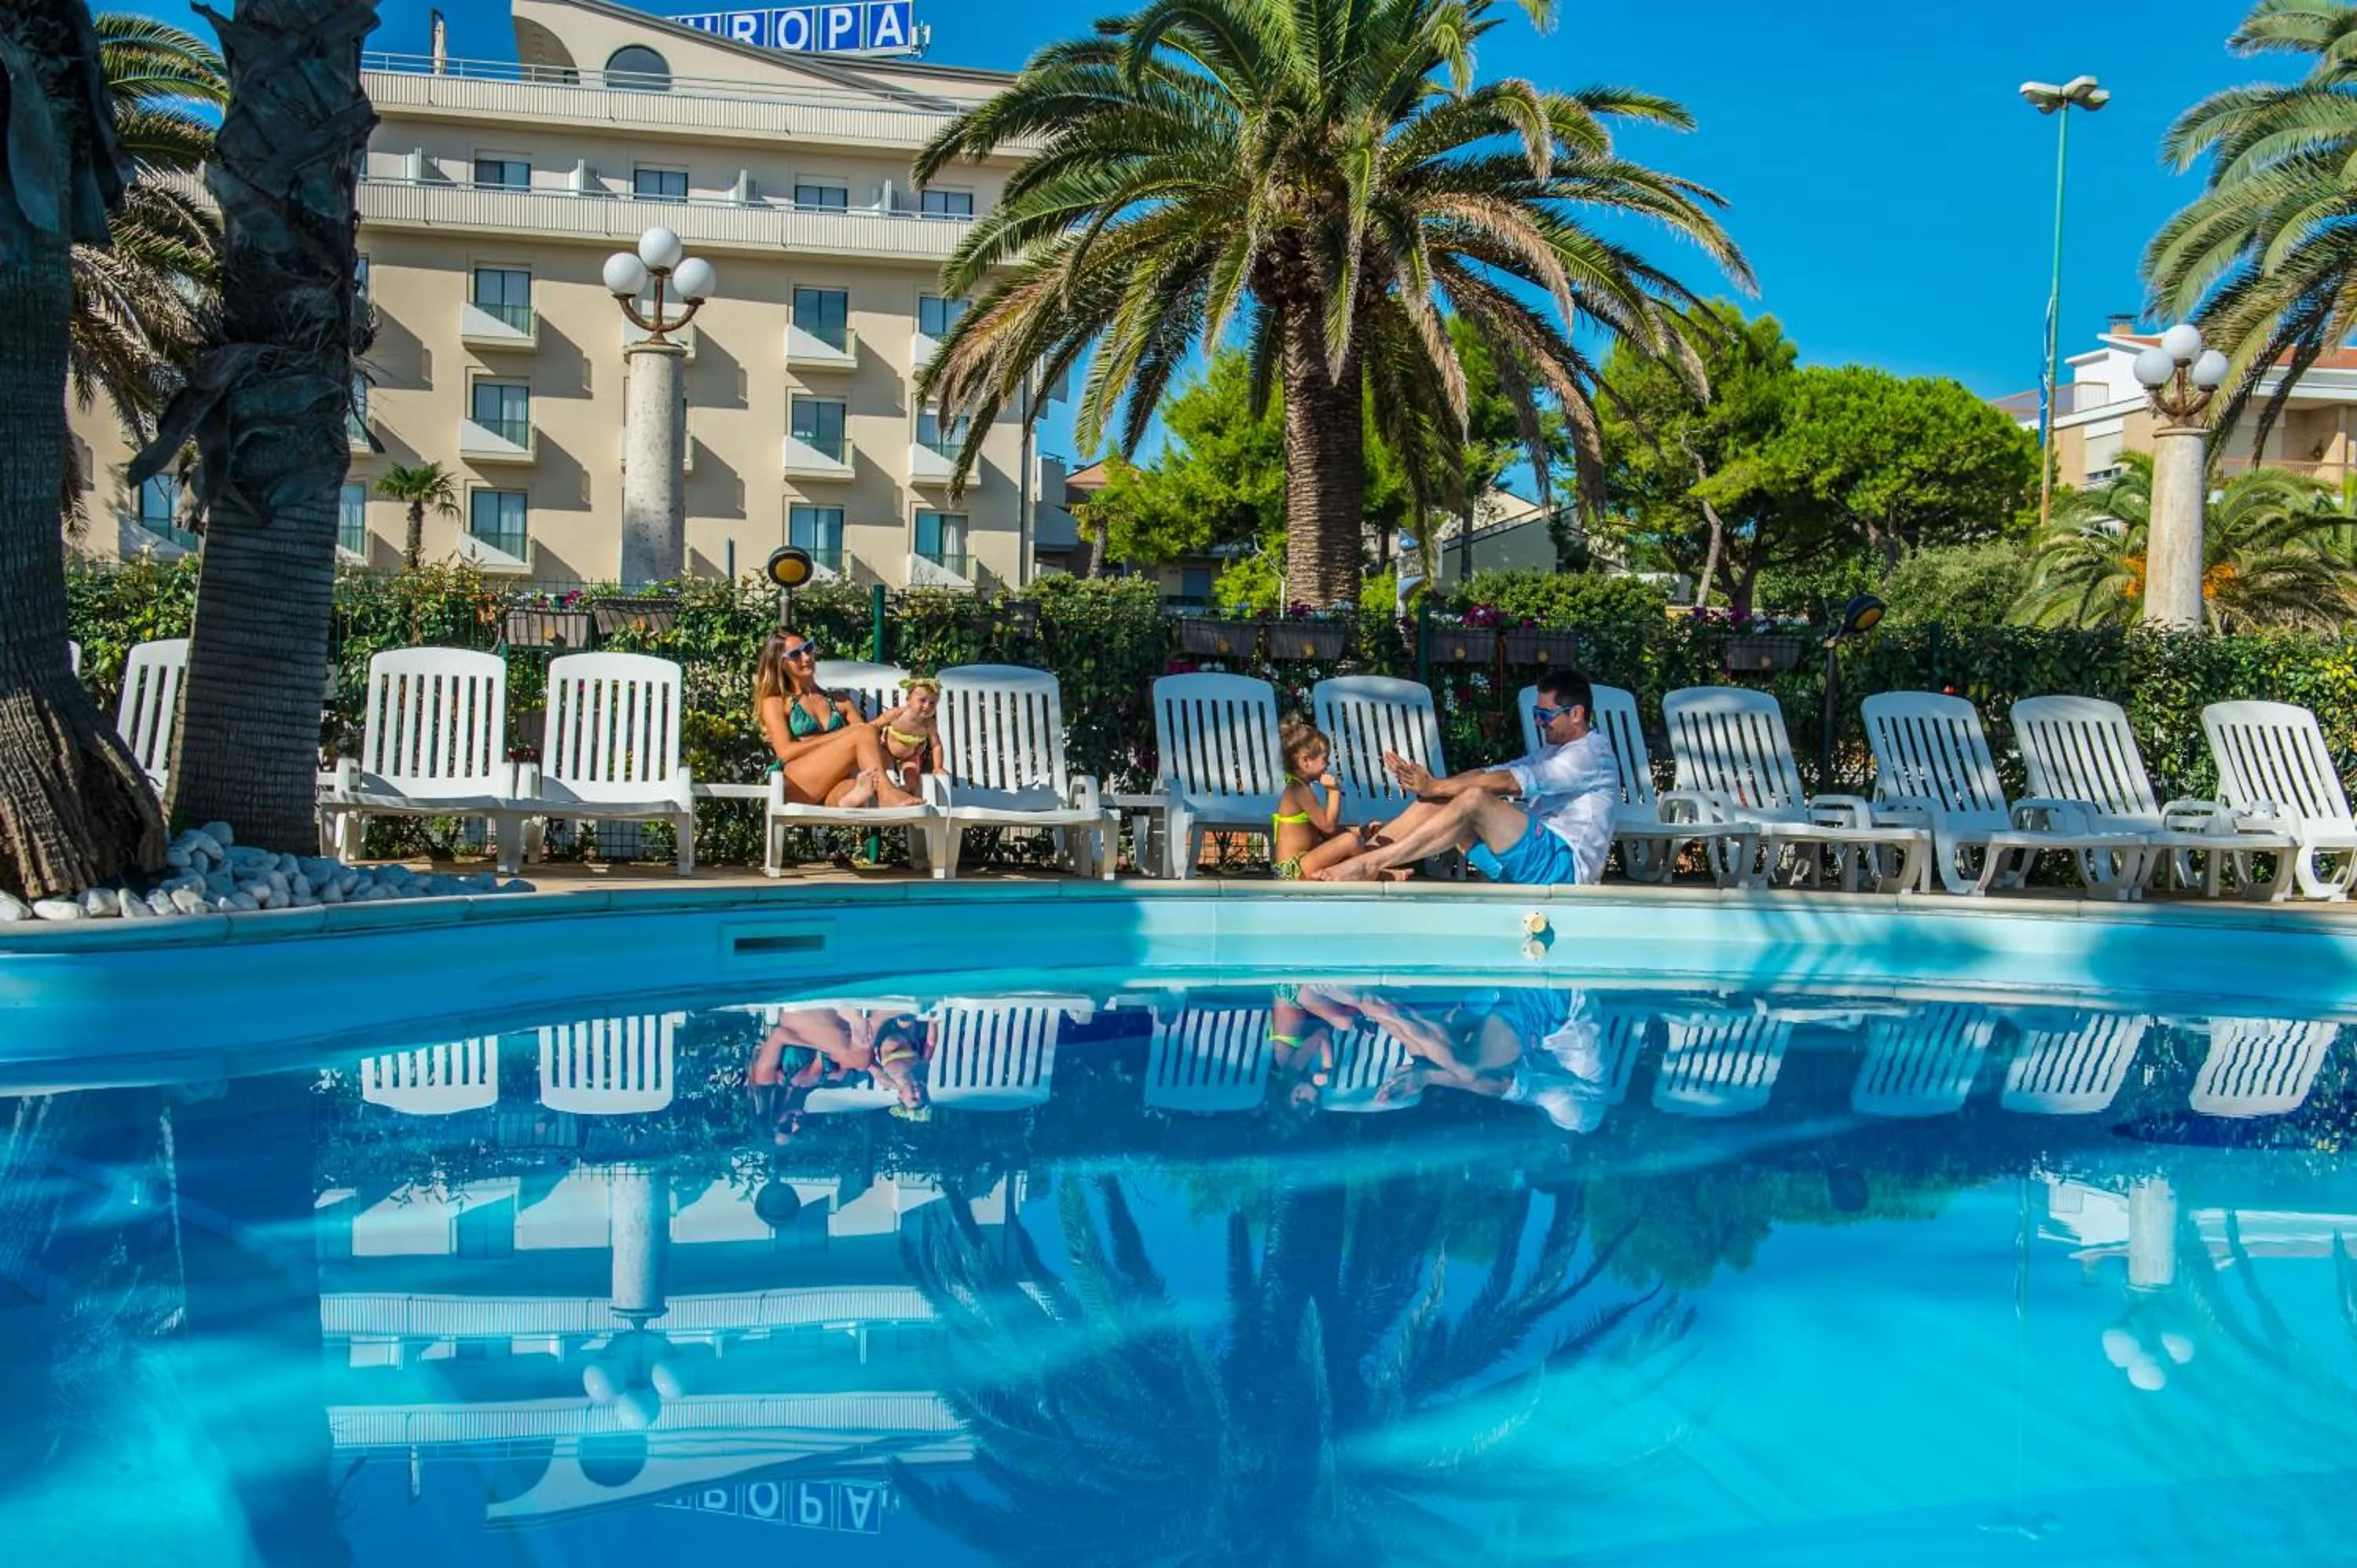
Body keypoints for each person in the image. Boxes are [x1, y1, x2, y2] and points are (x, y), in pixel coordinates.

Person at [1317, 669, 1616, 886]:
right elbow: (1489, 773)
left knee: (1473, 799)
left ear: (1576, 714)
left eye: (1546, 715)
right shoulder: (1552, 750)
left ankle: (1369, 864)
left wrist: (1436, 784)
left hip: (1563, 869)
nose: (1539, 722)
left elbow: (1512, 782)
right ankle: (1362, 857)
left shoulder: (1590, 754)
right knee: (1446, 797)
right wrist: (1436, 788)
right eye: (1537, 713)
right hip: (1525, 863)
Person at [755, 630, 922, 808]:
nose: (806, 657)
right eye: (795, 654)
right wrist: (846, 734)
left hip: (834, 781)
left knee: (853, 790)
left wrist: (904, 741)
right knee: (863, 732)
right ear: (781, 664)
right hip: (797, 783)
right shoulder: (776, 702)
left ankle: (848, 800)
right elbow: (785, 752)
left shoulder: (840, 701)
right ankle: (886, 794)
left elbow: (866, 741)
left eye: (808, 648)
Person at [1270, 716, 1377, 880]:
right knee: (1348, 841)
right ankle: (1377, 872)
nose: (1328, 765)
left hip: (1301, 864)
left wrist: (1361, 831)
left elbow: (1323, 831)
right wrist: (1334, 792)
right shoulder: (1298, 790)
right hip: (1293, 870)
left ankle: (1374, 870)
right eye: (1324, 759)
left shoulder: (1301, 788)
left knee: (1350, 840)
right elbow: (1328, 827)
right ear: (1305, 761)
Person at [873, 675, 941, 796]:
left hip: (910, 756)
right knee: (879, 772)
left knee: (914, 782)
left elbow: (936, 746)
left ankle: (904, 792)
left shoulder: (929, 724)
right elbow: (873, 726)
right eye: (922, 700)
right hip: (887, 750)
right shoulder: (896, 714)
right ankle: (881, 791)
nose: (927, 706)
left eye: (933, 703)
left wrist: (938, 767)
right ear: (908, 699)